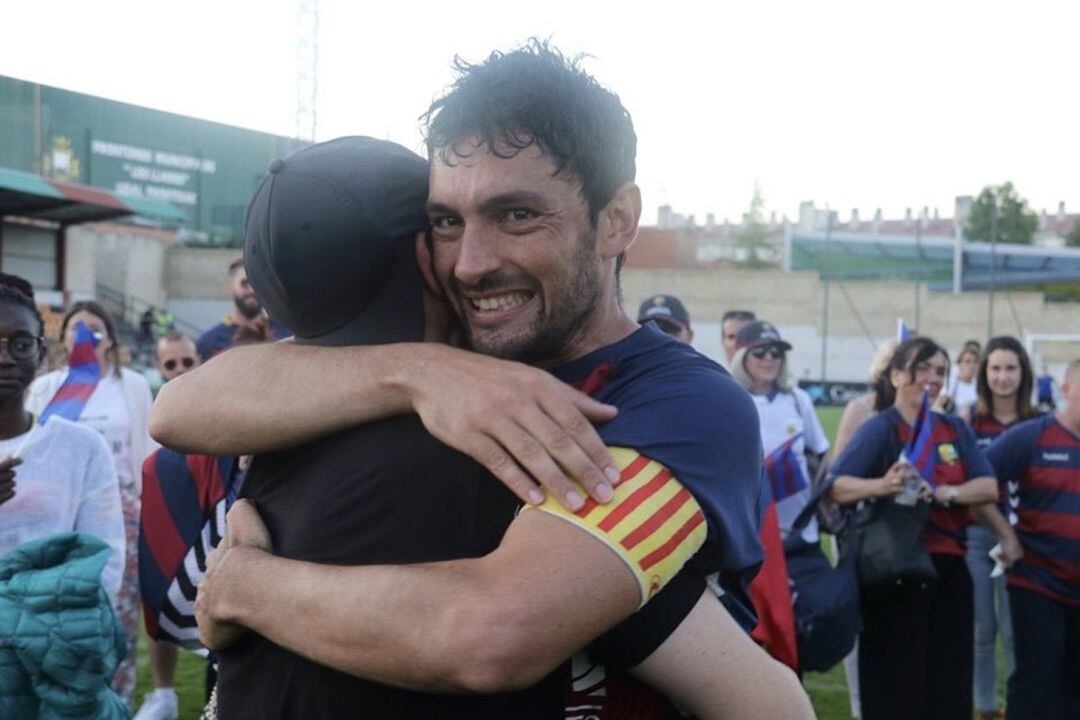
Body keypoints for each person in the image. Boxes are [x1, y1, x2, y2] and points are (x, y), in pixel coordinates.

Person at [158, 43, 810, 719]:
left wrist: (246, 587)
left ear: (616, 220)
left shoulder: (680, 401)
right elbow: (178, 409)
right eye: (446, 221)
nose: (470, 264)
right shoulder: (433, 354)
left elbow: (494, 634)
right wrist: (419, 374)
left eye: (517, 215)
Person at [828, 336, 1022, 720]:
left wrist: (947, 492)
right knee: (895, 683)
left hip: (948, 567)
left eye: (940, 371)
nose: (932, 378)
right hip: (894, 569)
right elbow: (835, 486)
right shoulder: (880, 427)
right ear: (897, 375)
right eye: (923, 369)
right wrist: (883, 485)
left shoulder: (953, 429)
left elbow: (986, 487)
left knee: (948, 684)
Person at [0, 273, 127, 713]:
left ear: (42, 352)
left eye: (19, 343)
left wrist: (51, 631)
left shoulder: (79, 447)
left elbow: (103, 558)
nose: (4, 358)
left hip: (56, 657)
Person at [26, 300, 156, 707]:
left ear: (110, 338)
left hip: (123, 514)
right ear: (62, 338)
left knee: (117, 610)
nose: (85, 334)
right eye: (76, 328)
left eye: (95, 328)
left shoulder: (131, 386)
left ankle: (116, 698)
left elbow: (149, 451)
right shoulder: (45, 388)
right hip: (60, 516)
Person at [984, 358, 1079, 720]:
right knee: (1037, 683)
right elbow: (979, 482)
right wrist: (1006, 535)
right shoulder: (1033, 437)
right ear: (1066, 390)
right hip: (1038, 582)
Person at [966, 335, 1040, 719]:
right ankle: (985, 707)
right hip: (977, 537)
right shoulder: (968, 420)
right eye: (995, 368)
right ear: (984, 374)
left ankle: (1018, 706)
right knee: (982, 630)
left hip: (1025, 542)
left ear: (1023, 373)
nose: (1003, 377)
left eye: (1010, 368)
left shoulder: (1039, 422)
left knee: (1016, 632)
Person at [829, 337, 897, 720]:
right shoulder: (861, 409)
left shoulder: (926, 414)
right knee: (859, 622)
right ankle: (860, 707)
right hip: (859, 531)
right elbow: (837, 474)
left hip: (903, 536)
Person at [730, 320, 830, 545]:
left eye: (777, 352)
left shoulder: (798, 400)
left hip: (801, 530)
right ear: (742, 357)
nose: (769, 358)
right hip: (752, 533)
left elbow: (822, 452)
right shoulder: (731, 401)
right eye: (760, 351)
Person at [195, 258, 290, 361]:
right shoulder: (209, 342)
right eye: (245, 283)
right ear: (230, 288)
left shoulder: (286, 333)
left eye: (257, 283)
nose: (252, 290)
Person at [939, 340, 980, 416]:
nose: (972, 365)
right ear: (960, 364)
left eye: (976, 362)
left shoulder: (980, 385)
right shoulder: (952, 383)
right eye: (968, 361)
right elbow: (939, 406)